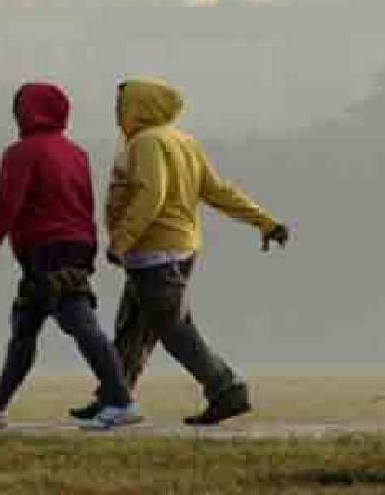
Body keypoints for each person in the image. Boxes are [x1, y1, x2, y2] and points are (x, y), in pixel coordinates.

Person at [69, 78, 290, 426]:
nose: (116, 112)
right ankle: (113, 393)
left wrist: (121, 241)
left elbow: (150, 196)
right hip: (177, 248)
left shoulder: (146, 142)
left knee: (173, 329)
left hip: (155, 251)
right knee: (133, 326)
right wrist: (265, 222)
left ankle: (226, 388)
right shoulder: (183, 141)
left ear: (139, 107)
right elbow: (218, 191)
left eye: (120, 104)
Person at [0, 82, 141, 431]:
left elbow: (6, 208)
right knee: (24, 327)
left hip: (48, 250)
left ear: (27, 111)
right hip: (74, 245)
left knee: (80, 323)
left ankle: (121, 400)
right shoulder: (76, 153)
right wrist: (90, 248)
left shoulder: (21, 153)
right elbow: (85, 204)